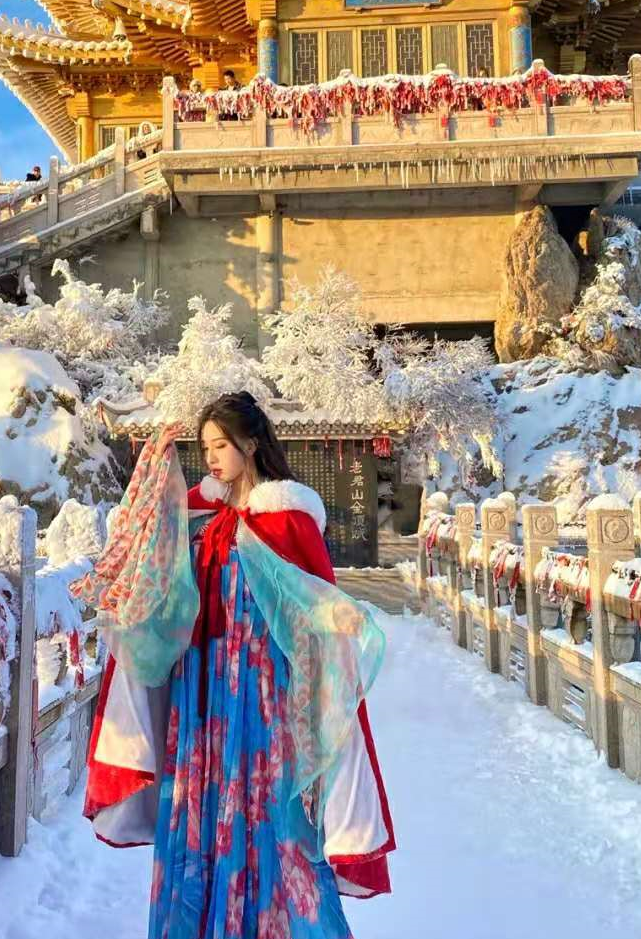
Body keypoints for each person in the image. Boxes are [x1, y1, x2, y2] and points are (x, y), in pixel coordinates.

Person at [76, 391, 395, 937]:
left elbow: (312, 605)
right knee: (198, 810)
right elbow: (148, 551)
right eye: (205, 448)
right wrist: (158, 466)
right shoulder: (202, 520)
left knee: (270, 815)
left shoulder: (286, 520)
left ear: (251, 443)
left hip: (263, 698)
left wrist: (336, 621)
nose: (212, 458)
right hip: (200, 698)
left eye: (221, 445)